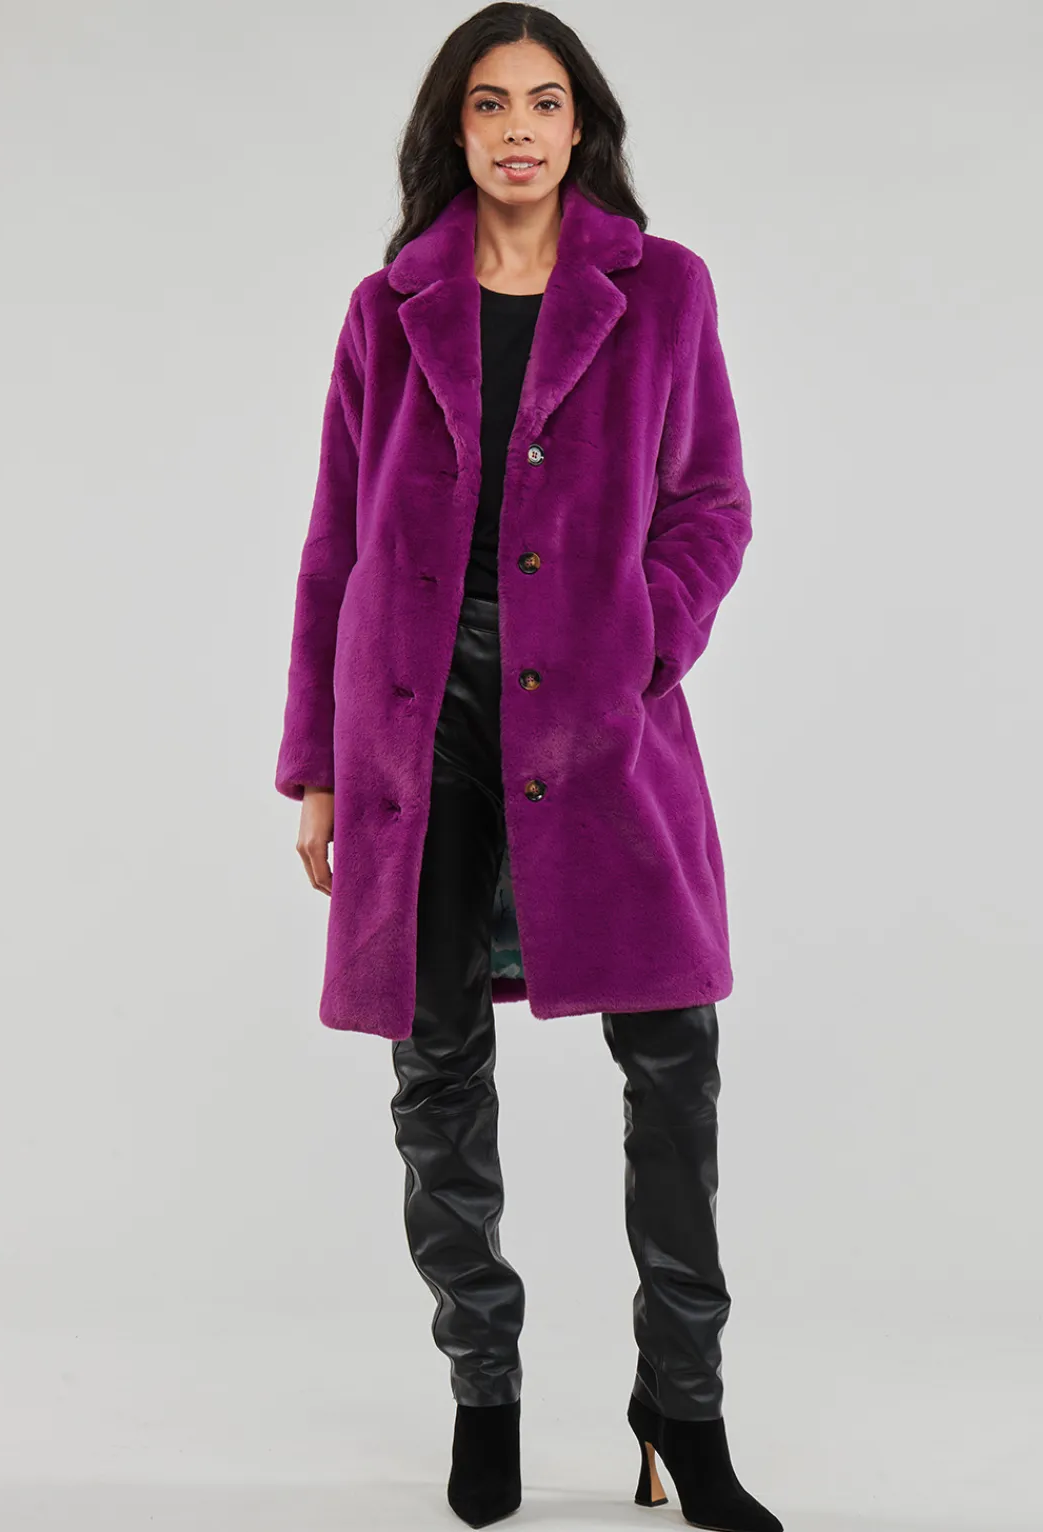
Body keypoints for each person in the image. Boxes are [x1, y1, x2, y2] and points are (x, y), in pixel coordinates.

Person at [274, 6, 781, 1529]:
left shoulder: (662, 287)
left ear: (581, 126)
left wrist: (643, 641)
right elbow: (333, 546)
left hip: (603, 719)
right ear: (456, 127)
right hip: (418, 717)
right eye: (490, 104)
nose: (517, 129)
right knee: (436, 1066)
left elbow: (712, 502)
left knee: (673, 1057)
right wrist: (316, 767)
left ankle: (682, 1403)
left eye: (545, 103)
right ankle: (481, 1386)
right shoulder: (388, 312)